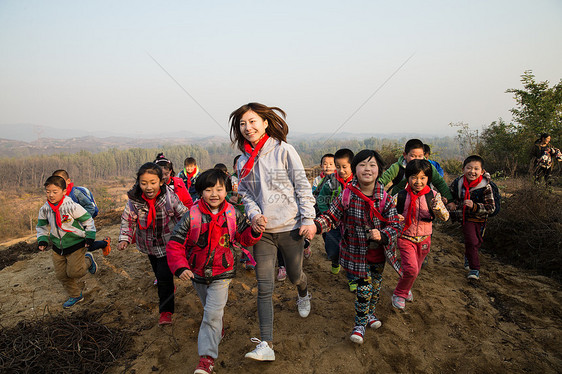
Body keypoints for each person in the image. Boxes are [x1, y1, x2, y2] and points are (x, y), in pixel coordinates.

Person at [230, 102, 316, 361]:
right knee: (264, 286)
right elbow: (245, 193)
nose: (248, 128)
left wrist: (309, 218)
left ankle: (303, 292)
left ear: (265, 122)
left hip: (291, 227)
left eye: (253, 121)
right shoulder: (243, 160)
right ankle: (265, 343)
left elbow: (302, 185)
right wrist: (255, 215)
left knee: (294, 275)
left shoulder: (284, 151)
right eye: (243, 124)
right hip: (263, 233)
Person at [166, 168, 262, 374]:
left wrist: (254, 230)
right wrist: (180, 266)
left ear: (226, 190)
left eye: (219, 189)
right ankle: (217, 329)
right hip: (196, 273)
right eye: (208, 189)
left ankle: (207, 359)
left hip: (222, 272)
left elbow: (244, 236)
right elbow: (175, 244)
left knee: (210, 314)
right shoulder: (191, 216)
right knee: (210, 310)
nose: (214, 194)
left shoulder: (234, 213)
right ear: (200, 192)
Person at [313, 150, 403, 345]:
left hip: (379, 254)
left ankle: (371, 313)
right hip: (356, 253)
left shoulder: (386, 199)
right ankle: (360, 325)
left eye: (372, 165)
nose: (367, 169)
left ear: (379, 170)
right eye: (362, 165)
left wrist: (383, 235)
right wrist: (315, 226)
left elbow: (396, 224)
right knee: (363, 290)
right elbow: (331, 216)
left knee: (376, 288)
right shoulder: (347, 195)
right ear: (355, 170)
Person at [118, 162, 188, 325]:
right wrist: (124, 238)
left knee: (164, 278)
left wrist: (188, 236)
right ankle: (167, 286)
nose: (148, 187)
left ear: (161, 182)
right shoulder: (134, 201)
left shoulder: (169, 197)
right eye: (144, 183)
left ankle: (166, 312)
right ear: (138, 183)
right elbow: (127, 220)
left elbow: (183, 216)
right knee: (158, 272)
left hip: (167, 244)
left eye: (152, 183)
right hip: (148, 244)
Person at [391, 159, 449, 310]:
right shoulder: (400, 196)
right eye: (414, 177)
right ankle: (399, 293)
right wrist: (395, 218)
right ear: (408, 178)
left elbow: (445, 217)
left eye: (423, 178)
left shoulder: (434, 196)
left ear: (428, 178)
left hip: (425, 239)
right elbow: (388, 213)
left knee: (415, 268)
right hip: (405, 238)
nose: (418, 181)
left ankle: (406, 286)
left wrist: (438, 210)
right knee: (411, 269)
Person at [36, 175, 98, 308]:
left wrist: (90, 235)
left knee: (75, 272)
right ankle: (76, 295)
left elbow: (88, 220)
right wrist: (42, 240)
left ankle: (88, 260)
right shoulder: (45, 209)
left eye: (54, 192)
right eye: (48, 192)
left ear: (64, 191)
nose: (51, 195)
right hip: (58, 247)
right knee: (61, 275)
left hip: (75, 244)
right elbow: (41, 226)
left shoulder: (72, 206)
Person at [446, 155, 496, 280]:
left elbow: (491, 208)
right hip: (466, 218)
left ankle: (468, 257)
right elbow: (450, 194)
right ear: (463, 169)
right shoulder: (459, 182)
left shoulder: (486, 186)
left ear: (482, 171)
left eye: (476, 169)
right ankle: (475, 269)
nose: (472, 172)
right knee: (472, 241)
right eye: (469, 168)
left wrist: (475, 206)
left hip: (481, 219)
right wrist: (449, 202)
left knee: (477, 242)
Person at [317, 149, 356, 290]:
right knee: (332, 249)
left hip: (352, 225)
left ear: (352, 166)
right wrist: (327, 214)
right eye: (338, 167)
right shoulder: (330, 182)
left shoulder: (357, 182)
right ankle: (335, 261)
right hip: (333, 223)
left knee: (351, 252)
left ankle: (352, 280)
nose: (341, 170)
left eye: (344, 167)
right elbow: (321, 199)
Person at [52, 170, 111, 256]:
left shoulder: (75, 193)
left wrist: (81, 220)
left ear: (68, 181)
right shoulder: (57, 195)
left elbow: (90, 207)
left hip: (81, 223)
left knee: (84, 246)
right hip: (69, 225)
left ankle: (104, 244)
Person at [379, 139, 453, 203]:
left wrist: (449, 200)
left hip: (424, 203)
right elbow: (382, 181)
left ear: (423, 155)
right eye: (413, 156)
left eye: (420, 156)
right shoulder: (397, 167)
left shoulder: (428, 167)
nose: (416, 159)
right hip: (399, 203)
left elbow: (439, 182)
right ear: (405, 155)